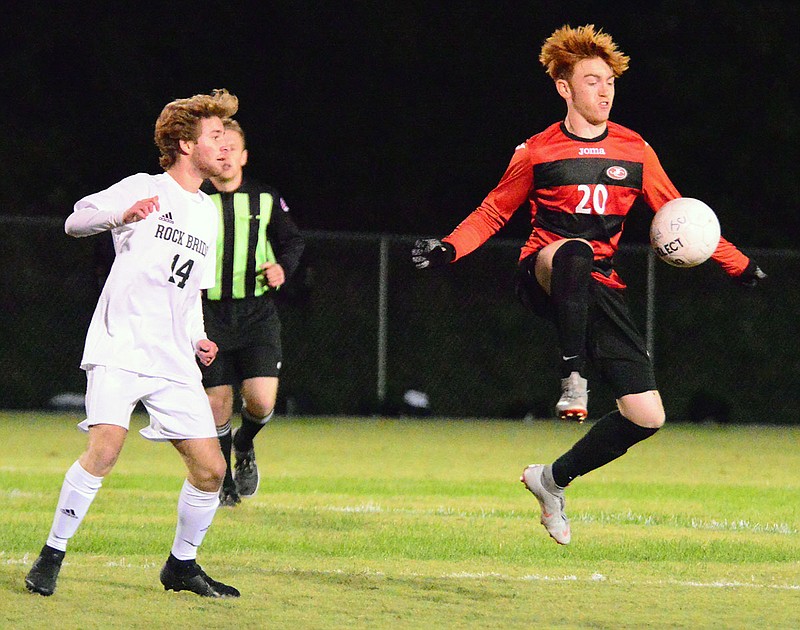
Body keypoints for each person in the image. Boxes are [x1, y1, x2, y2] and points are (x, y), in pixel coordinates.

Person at [411, 24, 766, 545]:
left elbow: (679, 213)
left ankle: (551, 481)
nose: (605, 91)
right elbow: (492, 213)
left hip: (601, 288)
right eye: (593, 81)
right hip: (545, 271)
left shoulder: (634, 149)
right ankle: (572, 375)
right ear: (565, 88)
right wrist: (449, 248)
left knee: (647, 416)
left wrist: (738, 264)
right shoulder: (537, 151)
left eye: (610, 83)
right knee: (573, 251)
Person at [25, 89, 242, 597]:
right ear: (186, 145)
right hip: (121, 343)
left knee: (211, 470)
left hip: (172, 356)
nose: (226, 146)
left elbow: (191, 292)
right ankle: (51, 555)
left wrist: (198, 337)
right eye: (216, 136)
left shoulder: (208, 212)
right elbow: (75, 221)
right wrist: (120, 217)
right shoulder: (145, 186)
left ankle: (182, 567)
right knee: (105, 448)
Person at [200, 119, 305, 507]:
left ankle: (244, 445)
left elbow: (292, 240)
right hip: (207, 313)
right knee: (217, 403)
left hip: (256, 313)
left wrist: (282, 269)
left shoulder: (264, 198)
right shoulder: (194, 199)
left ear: (244, 156)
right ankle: (224, 479)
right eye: (218, 144)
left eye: (232, 146)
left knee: (260, 402)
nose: (224, 152)